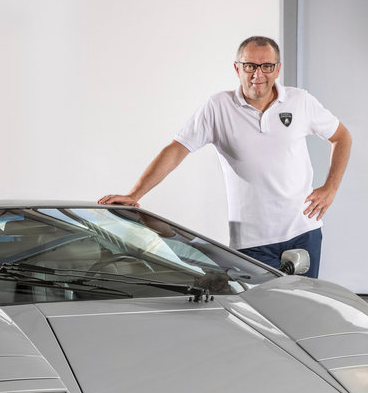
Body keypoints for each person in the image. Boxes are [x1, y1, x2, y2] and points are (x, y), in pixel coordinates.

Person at [98, 36, 351, 278]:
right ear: (237, 68)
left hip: (303, 231)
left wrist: (331, 188)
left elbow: (342, 137)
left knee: (304, 303)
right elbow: (176, 150)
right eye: (250, 66)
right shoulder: (218, 107)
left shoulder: (300, 101)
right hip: (252, 242)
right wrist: (135, 195)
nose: (258, 74)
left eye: (266, 66)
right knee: (258, 307)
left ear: (277, 69)